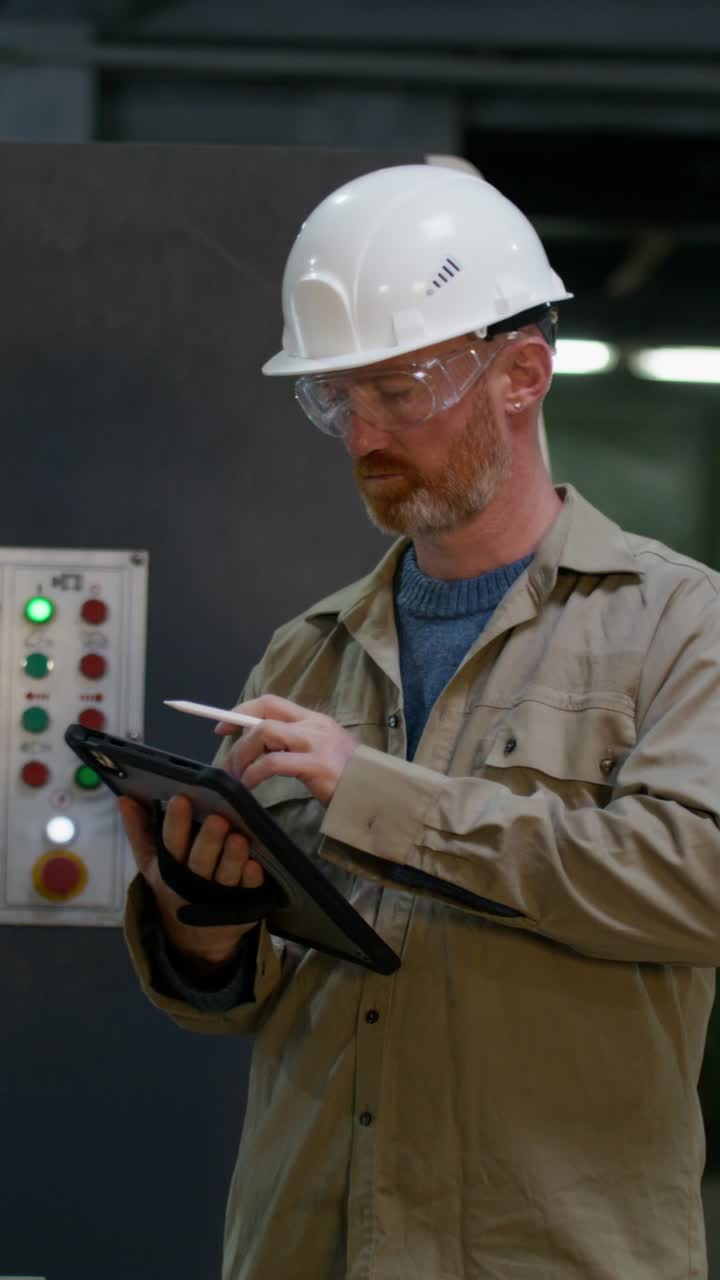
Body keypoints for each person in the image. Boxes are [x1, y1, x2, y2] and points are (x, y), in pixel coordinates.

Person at [120, 164, 720, 1280]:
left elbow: (699, 882)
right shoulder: (305, 654)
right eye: (336, 400)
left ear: (522, 375)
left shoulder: (680, 625)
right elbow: (244, 997)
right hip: (308, 1247)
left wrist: (377, 794)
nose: (363, 437)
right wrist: (203, 915)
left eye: (398, 391)